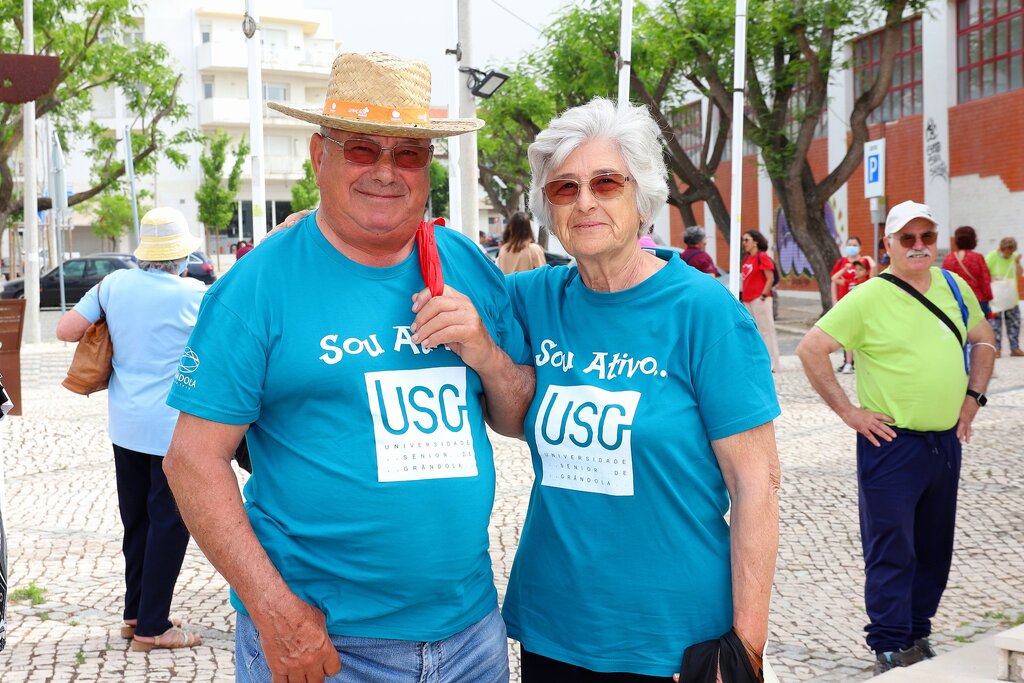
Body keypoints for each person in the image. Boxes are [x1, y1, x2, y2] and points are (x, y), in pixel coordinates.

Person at [162, 52, 532, 683]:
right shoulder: (259, 285)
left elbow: (518, 416)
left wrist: (487, 355)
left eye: (409, 153)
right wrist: (274, 610)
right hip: (327, 641)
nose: (386, 171)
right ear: (318, 156)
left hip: (470, 634)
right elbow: (192, 459)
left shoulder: (465, 263)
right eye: (362, 148)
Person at [497, 97, 781, 682]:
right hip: (555, 626)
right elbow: (421, 276)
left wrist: (745, 648)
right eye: (564, 188)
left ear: (641, 193)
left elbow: (757, 484)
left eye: (605, 181)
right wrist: (314, 233)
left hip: (677, 639)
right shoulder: (532, 299)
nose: (585, 202)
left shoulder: (704, 313)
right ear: (546, 208)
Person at [795, 200, 996, 674]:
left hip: (943, 443)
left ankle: (917, 633)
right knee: (892, 546)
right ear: (888, 245)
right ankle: (888, 642)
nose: (920, 246)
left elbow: (983, 338)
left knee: (934, 547)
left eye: (927, 237)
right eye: (908, 239)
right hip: (891, 445)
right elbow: (811, 349)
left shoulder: (953, 284)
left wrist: (973, 400)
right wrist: (849, 412)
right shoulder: (868, 296)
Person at [56, 207, 207, 651]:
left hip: (125, 426)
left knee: (137, 520)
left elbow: (66, 330)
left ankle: (136, 611)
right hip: (171, 429)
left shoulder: (113, 284)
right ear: (181, 255)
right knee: (171, 523)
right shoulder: (195, 295)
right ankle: (153, 628)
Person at [830, 236, 876, 374]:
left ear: (860, 247)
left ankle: (858, 362)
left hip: (861, 306)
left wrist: (868, 259)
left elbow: (873, 273)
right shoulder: (842, 263)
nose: (851, 247)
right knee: (847, 335)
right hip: (845, 303)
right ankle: (847, 362)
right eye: (849, 244)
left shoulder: (864, 262)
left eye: (854, 244)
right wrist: (834, 300)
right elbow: (834, 280)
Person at [740, 229, 781, 372]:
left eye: (747, 240)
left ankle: (773, 363)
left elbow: (770, 277)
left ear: (755, 241)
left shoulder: (762, 257)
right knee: (754, 332)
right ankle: (759, 360)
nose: (744, 243)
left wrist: (763, 295)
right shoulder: (746, 259)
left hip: (760, 298)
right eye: (743, 240)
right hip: (748, 299)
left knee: (766, 331)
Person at [942, 225, 993, 319]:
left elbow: (945, 281)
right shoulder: (977, 257)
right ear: (973, 239)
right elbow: (985, 281)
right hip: (978, 301)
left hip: (957, 301)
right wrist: (989, 298)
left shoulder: (948, 259)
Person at [986, 236, 1023, 357]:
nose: (1008, 254)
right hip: (995, 296)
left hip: (1011, 296)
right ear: (1001, 248)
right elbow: (984, 273)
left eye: (1010, 252)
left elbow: (1020, 274)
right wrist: (992, 278)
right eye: (1006, 251)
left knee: (1014, 322)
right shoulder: (992, 256)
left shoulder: (1014, 256)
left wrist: (1017, 262)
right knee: (995, 324)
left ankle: (1015, 347)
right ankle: (996, 349)